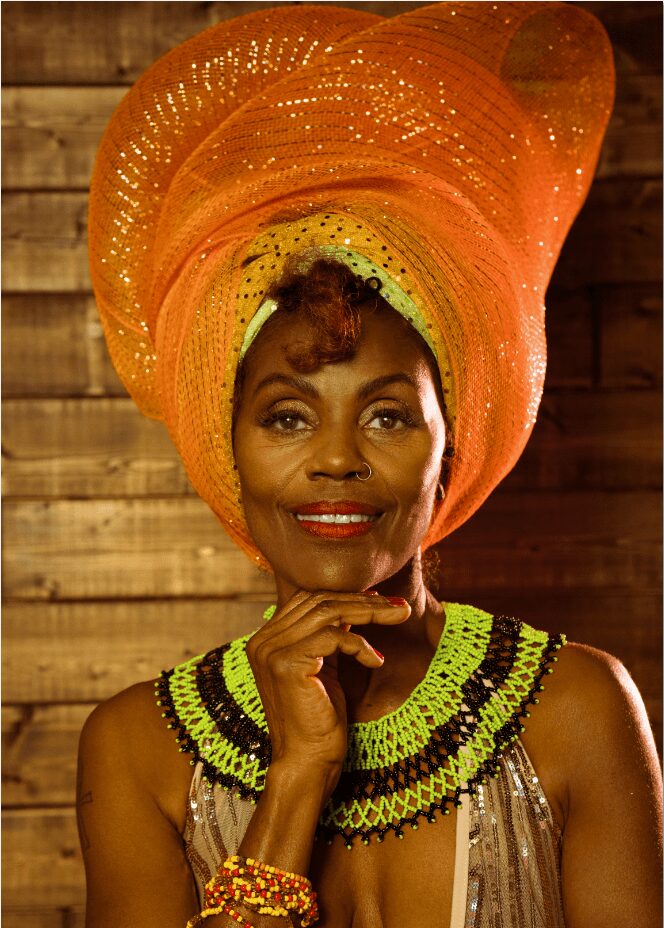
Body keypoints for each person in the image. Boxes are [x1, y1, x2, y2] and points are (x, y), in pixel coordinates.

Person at [79, 3, 662, 927]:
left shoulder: (577, 709)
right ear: (227, 451)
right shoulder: (135, 748)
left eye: (387, 416)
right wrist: (297, 774)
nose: (339, 460)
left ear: (451, 446)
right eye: (287, 418)